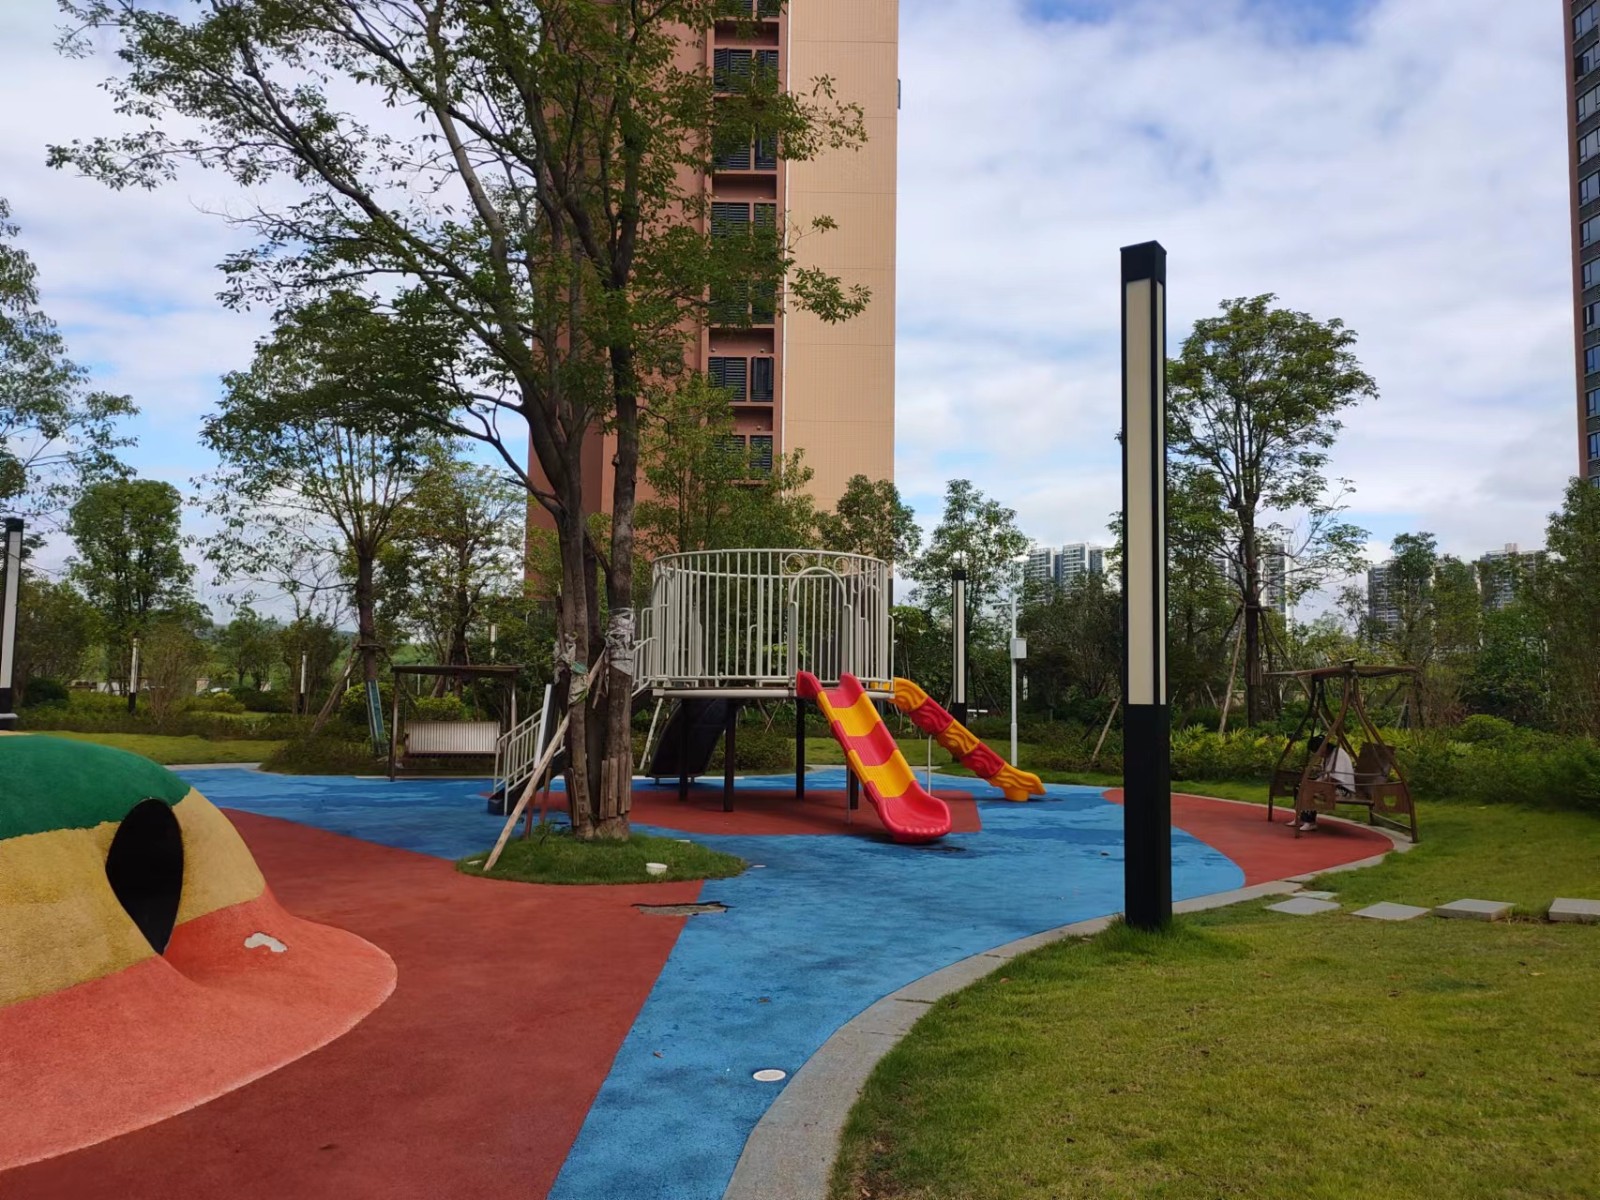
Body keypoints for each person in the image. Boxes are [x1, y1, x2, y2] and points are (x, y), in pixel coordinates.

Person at [1287, 734, 1354, 832]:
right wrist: (1316, 783)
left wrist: (1317, 785)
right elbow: (1326, 775)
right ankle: (1301, 817)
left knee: (1309, 789)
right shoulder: (1328, 755)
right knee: (1299, 787)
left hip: (1343, 789)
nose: (1318, 754)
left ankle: (1310, 822)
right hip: (1331, 785)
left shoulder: (1338, 754)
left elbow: (1335, 778)